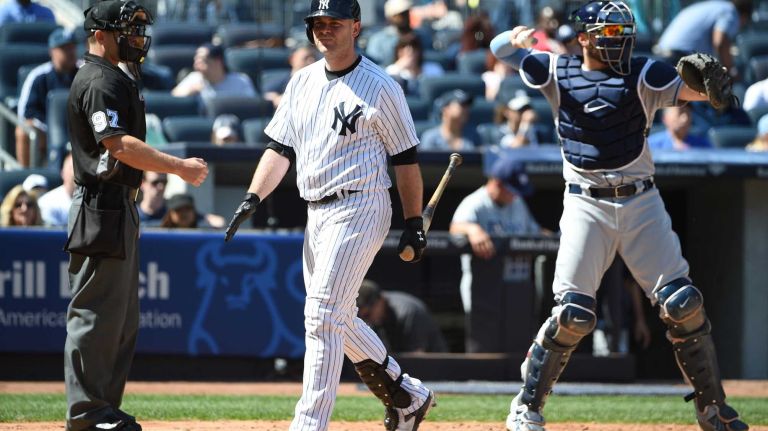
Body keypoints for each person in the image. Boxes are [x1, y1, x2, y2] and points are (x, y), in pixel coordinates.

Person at [491, 2, 749, 430]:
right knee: (572, 314)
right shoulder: (558, 70)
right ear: (585, 37)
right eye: (609, 33)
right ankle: (527, 405)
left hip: (641, 202)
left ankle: (712, 408)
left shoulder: (644, 73)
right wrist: (515, 38)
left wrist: (713, 89)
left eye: (623, 33)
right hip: (585, 204)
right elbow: (502, 50)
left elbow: (696, 91)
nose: (619, 41)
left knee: (683, 304)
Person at [223, 0, 435, 429]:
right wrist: (252, 196)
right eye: (317, 23)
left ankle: (308, 424)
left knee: (321, 315)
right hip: (316, 210)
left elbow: (405, 158)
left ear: (355, 27)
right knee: (337, 316)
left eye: (333, 22)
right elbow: (280, 149)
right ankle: (406, 394)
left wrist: (413, 221)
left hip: (361, 202)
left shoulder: (381, 85)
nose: (324, 30)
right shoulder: (301, 82)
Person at [64, 2, 208, 430]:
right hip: (99, 205)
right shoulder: (97, 79)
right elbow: (118, 144)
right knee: (95, 315)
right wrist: (179, 166)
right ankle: (87, 414)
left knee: (120, 320)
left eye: (138, 29)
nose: (136, 37)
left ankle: (104, 407)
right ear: (99, 34)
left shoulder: (118, 76)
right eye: (126, 29)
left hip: (119, 204)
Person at [450, 157, 544, 314]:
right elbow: (454, 228)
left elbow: (535, 232)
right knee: (483, 336)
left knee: (519, 335)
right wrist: (472, 229)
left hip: (517, 286)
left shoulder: (518, 203)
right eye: (511, 190)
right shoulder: (475, 203)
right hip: (484, 286)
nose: (515, 196)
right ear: (496, 183)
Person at [15, 28, 79, 167]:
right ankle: (26, 176)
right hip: (46, 130)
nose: (70, 52)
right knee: (23, 131)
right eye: (64, 48)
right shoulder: (38, 76)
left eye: (72, 47)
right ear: (52, 51)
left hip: (80, 128)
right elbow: (26, 113)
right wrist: (49, 128)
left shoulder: (85, 72)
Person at [655, 0, 753, 78]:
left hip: (660, 56)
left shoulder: (714, 6)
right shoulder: (730, 11)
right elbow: (720, 42)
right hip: (679, 60)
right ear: (744, 17)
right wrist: (730, 71)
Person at [356, 280, 448, 353]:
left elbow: (418, 357)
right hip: (399, 365)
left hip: (433, 368)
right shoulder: (377, 317)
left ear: (381, 301)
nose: (366, 320)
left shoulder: (407, 312)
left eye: (367, 315)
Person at [171, 43, 257, 101]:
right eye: (195, 61)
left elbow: (251, 104)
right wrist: (189, 92)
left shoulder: (240, 81)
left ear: (217, 62)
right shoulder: (194, 78)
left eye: (202, 61)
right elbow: (173, 99)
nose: (196, 66)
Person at [366, 0, 431, 66]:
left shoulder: (422, 35)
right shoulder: (378, 40)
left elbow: (432, 58)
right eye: (400, 14)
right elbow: (372, 66)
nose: (404, 17)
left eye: (406, 12)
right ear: (390, 17)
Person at [648, 105, 712, 151]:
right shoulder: (651, 145)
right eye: (680, 112)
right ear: (665, 118)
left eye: (688, 113)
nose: (685, 119)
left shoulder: (702, 145)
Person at [37, 152, 75, 226]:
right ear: (62, 173)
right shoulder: (47, 202)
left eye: (79, 169)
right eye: (72, 168)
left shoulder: (93, 199)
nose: (75, 173)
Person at [159, 193, 225, 228]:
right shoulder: (159, 232)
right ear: (170, 213)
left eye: (188, 209)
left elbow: (219, 222)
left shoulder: (202, 232)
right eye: (178, 209)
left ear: (194, 211)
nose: (183, 213)